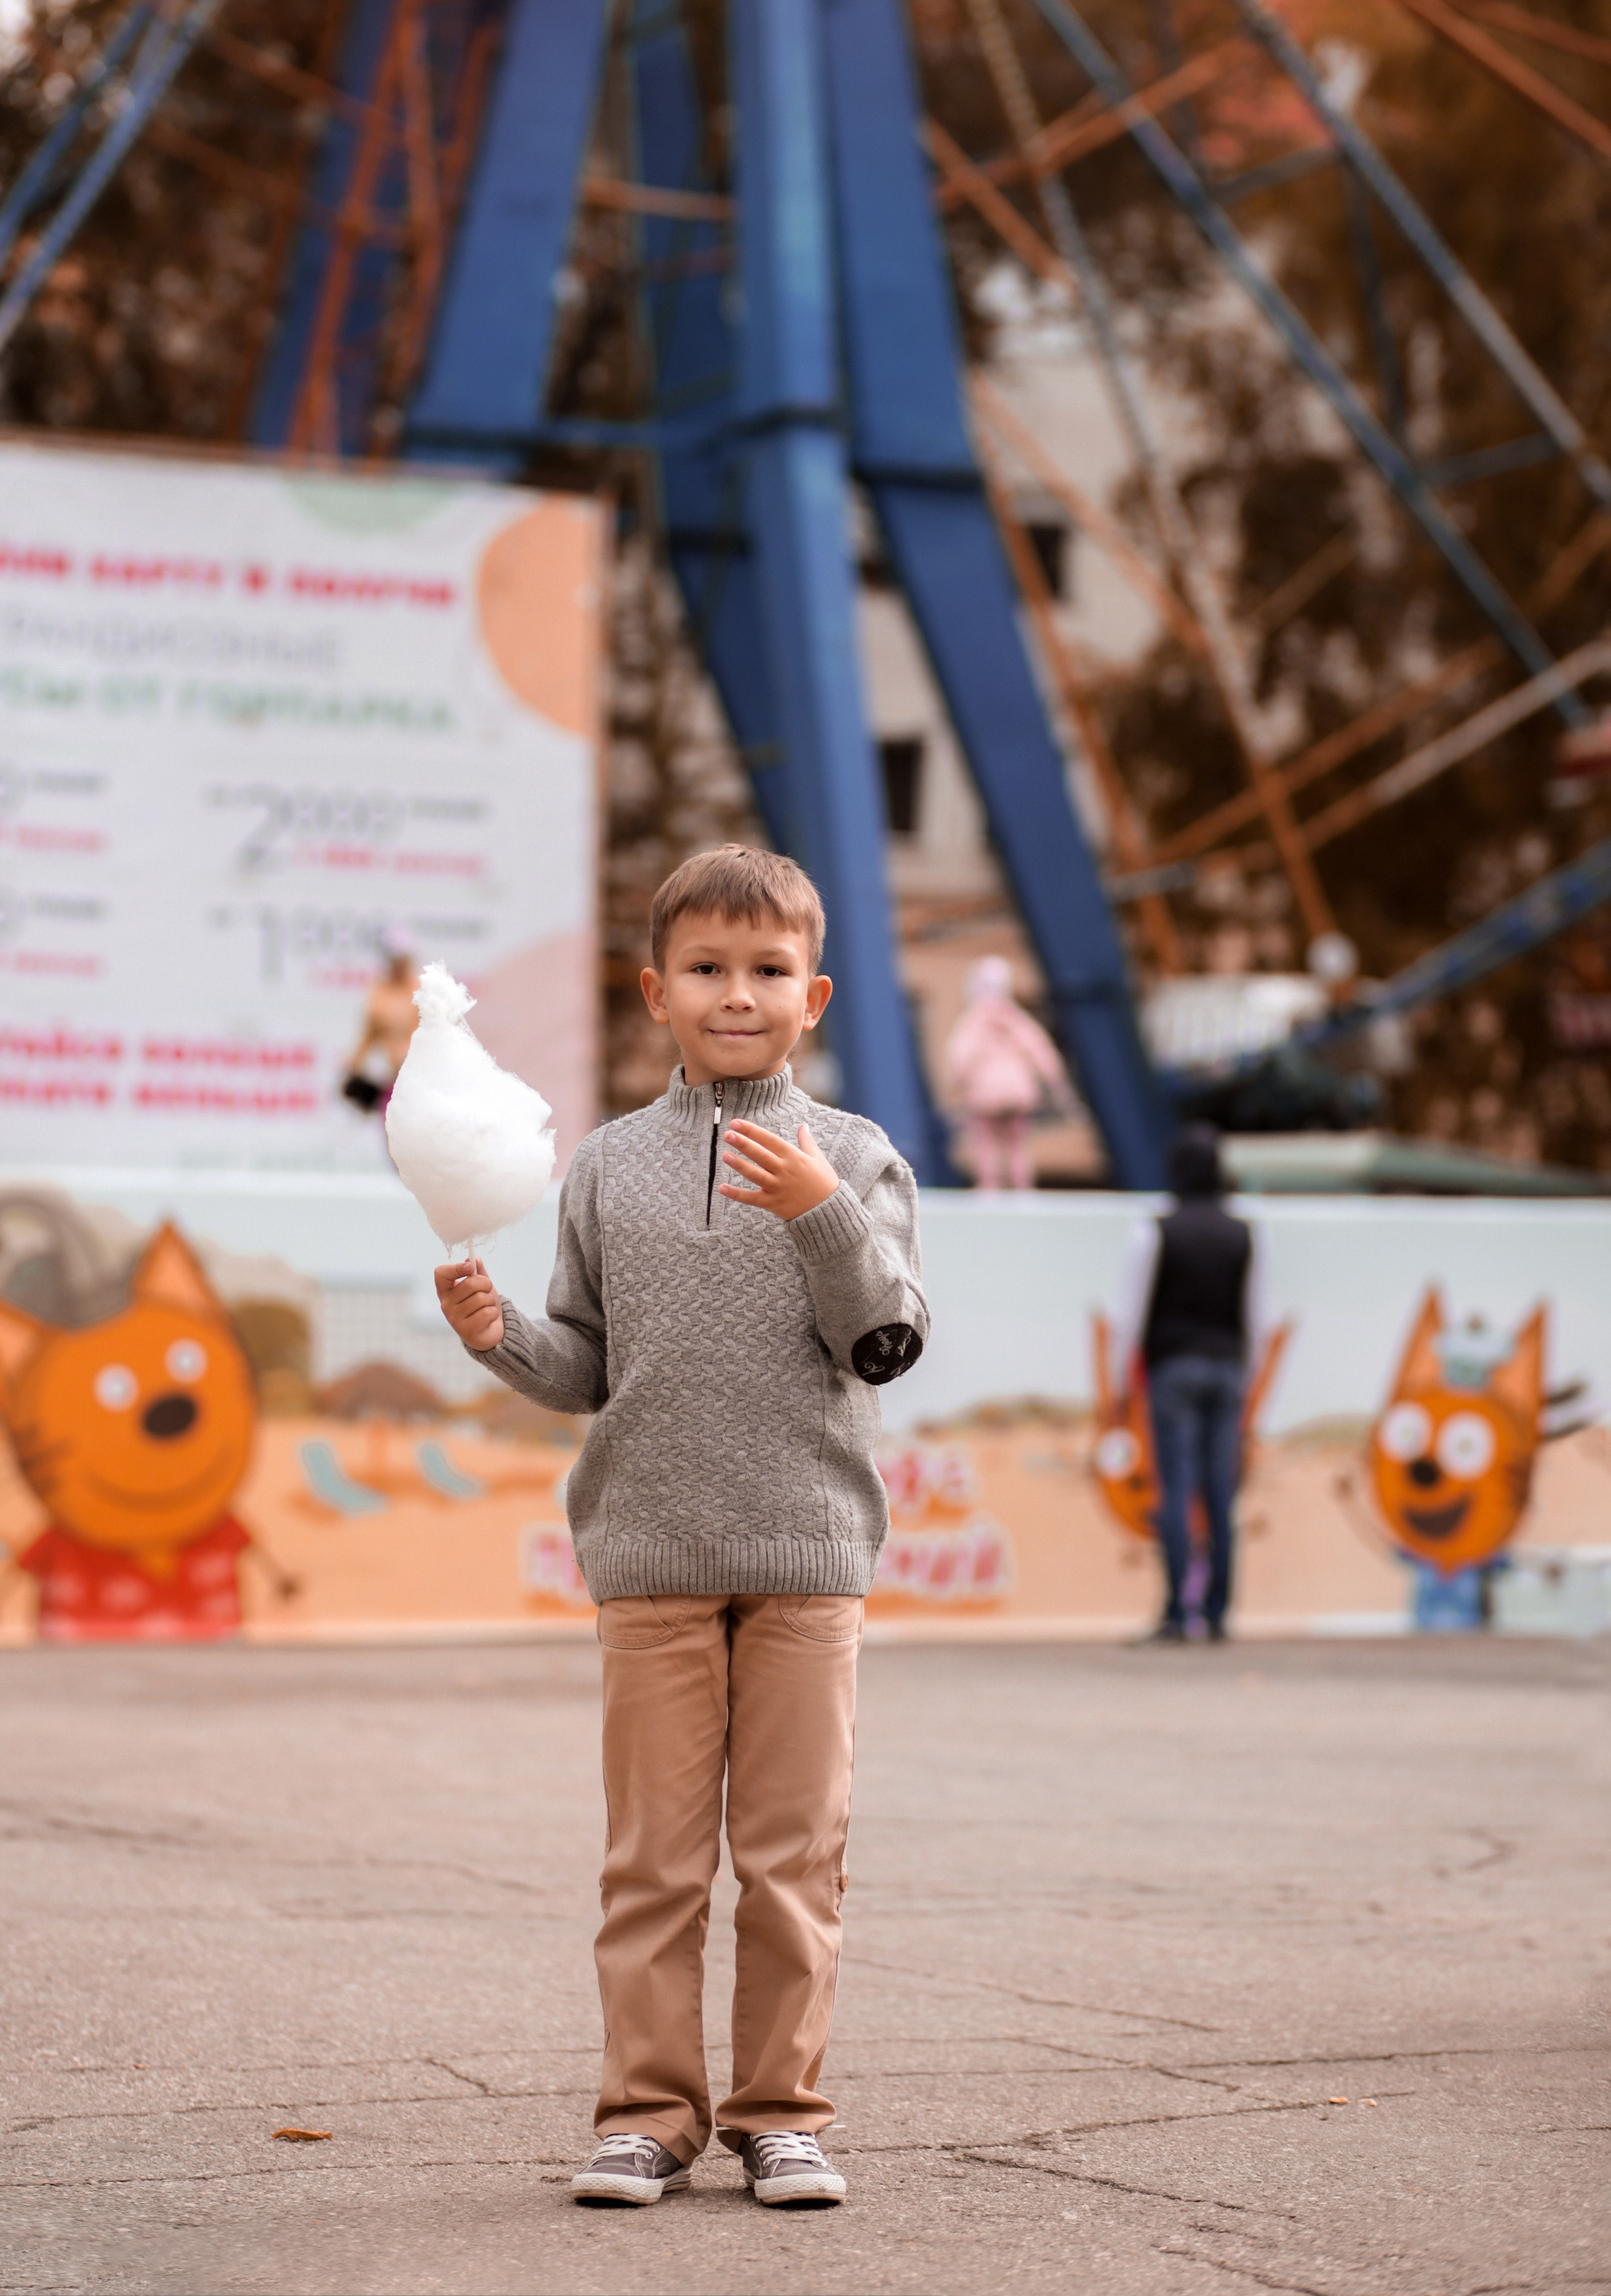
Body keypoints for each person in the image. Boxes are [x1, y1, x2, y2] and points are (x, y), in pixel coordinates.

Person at [433, 845, 928, 2210]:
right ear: (655, 989)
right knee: (650, 1860)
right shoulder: (604, 1166)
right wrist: (500, 1336)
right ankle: (647, 2116)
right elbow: (584, 1363)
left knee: (791, 1857)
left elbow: (884, 1336)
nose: (735, 993)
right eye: (706, 967)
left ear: (812, 993)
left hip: (805, 1559)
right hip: (647, 1557)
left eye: (766, 970)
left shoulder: (858, 1157)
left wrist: (817, 1211)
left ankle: (782, 2115)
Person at [1110, 1122, 1268, 1644]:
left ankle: (1179, 1610)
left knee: (1175, 1488)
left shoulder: (1156, 1228)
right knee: (1219, 1490)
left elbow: (1131, 1316)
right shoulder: (1245, 1231)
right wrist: (1250, 1375)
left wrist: (1117, 1383)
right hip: (1227, 1369)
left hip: (1173, 1368)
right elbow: (1256, 1316)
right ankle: (1220, 1612)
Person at [942, 955, 1066, 1192]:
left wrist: (955, 1084)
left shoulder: (974, 1021)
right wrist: (1056, 1081)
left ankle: (991, 1187)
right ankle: (1022, 1187)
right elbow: (1039, 1049)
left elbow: (960, 1056)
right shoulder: (1015, 1018)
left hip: (984, 1094)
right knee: (1017, 1142)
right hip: (1017, 1092)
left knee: (986, 1142)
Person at [341, 924, 421, 1113]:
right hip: (389, 1080)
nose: (401, 965)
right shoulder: (380, 992)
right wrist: (355, 1065)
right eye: (396, 961)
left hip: (418, 1079)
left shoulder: (421, 990)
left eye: (404, 960)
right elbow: (370, 1034)